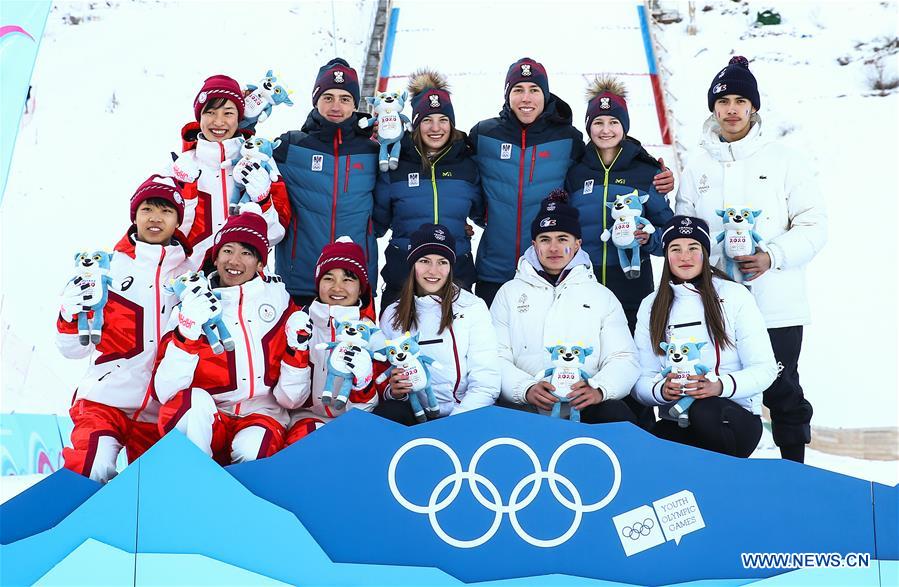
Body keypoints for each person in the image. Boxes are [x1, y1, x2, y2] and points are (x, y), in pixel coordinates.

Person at [675, 56, 826, 462]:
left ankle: (794, 471)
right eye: (723, 101)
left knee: (782, 388)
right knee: (713, 390)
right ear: (713, 108)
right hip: (715, 303)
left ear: (753, 107)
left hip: (775, 301)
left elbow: (814, 225)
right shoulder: (697, 165)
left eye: (741, 100)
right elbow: (685, 230)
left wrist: (771, 256)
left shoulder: (785, 160)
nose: (731, 110)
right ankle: (724, 474)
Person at [469, 57, 674, 307]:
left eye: (534, 90)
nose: (526, 98)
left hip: (549, 269)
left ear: (545, 94)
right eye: (518, 90)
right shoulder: (483, 134)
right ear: (506, 94)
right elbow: (468, 184)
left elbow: (608, 159)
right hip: (494, 267)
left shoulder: (568, 139)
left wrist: (652, 168)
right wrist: (483, 218)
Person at [58, 176, 195, 482]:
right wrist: (69, 312)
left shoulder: (191, 275)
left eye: (166, 211)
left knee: (158, 493)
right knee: (90, 468)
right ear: (135, 215)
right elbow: (71, 349)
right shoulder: (106, 268)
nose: (155, 218)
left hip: (158, 411)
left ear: (178, 220)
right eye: (147, 209)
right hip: (106, 401)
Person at [152, 210, 298, 464]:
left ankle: (242, 501)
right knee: (189, 404)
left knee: (253, 452)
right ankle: (195, 483)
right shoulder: (190, 304)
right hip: (211, 414)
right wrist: (187, 329)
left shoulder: (280, 301)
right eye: (228, 250)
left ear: (260, 264)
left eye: (247, 253)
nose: (235, 261)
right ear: (216, 256)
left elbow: (294, 387)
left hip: (261, 414)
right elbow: (165, 392)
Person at [490, 189, 640, 424]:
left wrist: (598, 389)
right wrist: (525, 388)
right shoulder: (509, 293)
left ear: (577, 243)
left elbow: (623, 357)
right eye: (545, 239)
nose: (553, 248)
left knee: (618, 416)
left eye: (562, 239)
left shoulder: (601, 296)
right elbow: (494, 355)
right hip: (525, 410)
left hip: (585, 410)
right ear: (534, 243)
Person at [632, 216, 778, 457]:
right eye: (675, 249)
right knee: (652, 446)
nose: (685, 257)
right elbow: (641, 379)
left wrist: (718, 386)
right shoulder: (652, 304)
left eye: (693, 248)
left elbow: (765, 369)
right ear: (667, 255)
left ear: (705, 252)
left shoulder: (735, 296)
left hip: (733, 418)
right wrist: (661, 390)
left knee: (704, 410)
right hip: (677, 418)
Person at [258, 58, 380, 306]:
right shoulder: (291, 146)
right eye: (328, 97)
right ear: (316, 100)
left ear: (355, 105)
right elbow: (242, 154)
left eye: (345, 99)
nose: (336, 106)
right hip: (299, 279)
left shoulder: (373, 151)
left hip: (353, 282)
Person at [566, 75, 673, 331]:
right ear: (589, 127)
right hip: (583, 279)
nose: (606, 130)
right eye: (598, 122)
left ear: (624, 126)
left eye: (614, 122)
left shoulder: (646, 172)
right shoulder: (575, 172)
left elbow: (669, 232)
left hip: (632, 280)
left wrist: (650, 240)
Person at [373, 69, 485, 312]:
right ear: (415, 124)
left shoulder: (467, 164)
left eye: (443, 120)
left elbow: (481, 212)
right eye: (427, 120)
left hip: (456, 269)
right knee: (397, 344)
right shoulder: (396, 164)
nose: (436, 128)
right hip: (404, 268)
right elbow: (379, 221)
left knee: (456, 343)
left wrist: (463, 230)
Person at [377, 224, 499, 424]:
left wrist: (452, 425)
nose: (433, 270)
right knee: (389, 414)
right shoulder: (392, 313)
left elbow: (486, 382)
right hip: (416, 416)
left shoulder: (472, 307)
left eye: (442, 262)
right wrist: (394, 392)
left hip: (464, 416)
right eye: (424, 261)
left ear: (451, 267)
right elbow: (383, 378)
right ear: (412, 264)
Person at [276, 237, 386, 444]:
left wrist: (363, 385)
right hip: (306, 418)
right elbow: (289, 399)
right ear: (318, 283)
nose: (337, 287)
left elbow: (367, 411)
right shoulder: (300, 323)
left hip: (352, 421)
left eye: (348, 279)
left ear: (361, 287)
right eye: (328, 278)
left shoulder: (372, 335)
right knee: (305, 451)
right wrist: (296, 350)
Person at [167, 74, 281, 263]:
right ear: (199, 116)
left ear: (239, 117)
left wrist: (263, 202)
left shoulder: (261, 162)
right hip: (190, 281)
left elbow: (276, 235)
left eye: (228, 113)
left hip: (243, 280)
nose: (218, 122)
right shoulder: (180, 166)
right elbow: (162, 234)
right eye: (210, 112)